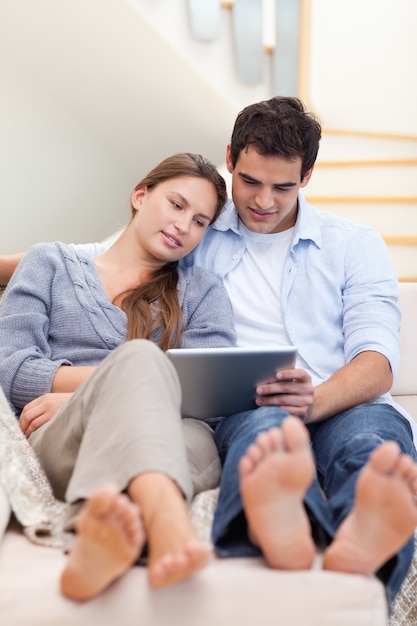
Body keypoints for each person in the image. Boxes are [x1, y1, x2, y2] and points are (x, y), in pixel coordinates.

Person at [2, 98, 417, 611]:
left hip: (337, 398)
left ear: (307, 177)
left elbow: (377, 362)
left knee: (374, 448)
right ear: (230, 159)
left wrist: (314, 402)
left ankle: (364, 554)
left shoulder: (351, 245)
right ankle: (282, 529)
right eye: (249, 182)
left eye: (282, 187)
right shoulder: (201, 234)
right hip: (253, 405)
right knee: (261, 440)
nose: (263, 200)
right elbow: (102, 253)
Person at [0, 152, 237, 600]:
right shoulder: (49, 264)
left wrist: (80, 393)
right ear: (140, 195)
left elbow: (210, 394)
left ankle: (102, 541)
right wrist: (104, 391)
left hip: (177, 432)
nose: (185, 226)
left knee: (154, 384)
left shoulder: (203, 290)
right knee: (142, 359)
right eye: (177, 204)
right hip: (65, 433)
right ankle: (168, 527)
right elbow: (14, 371)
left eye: (201, 221)